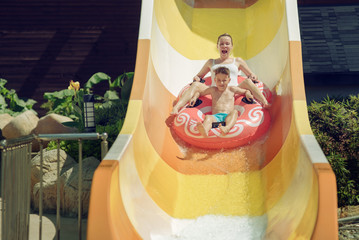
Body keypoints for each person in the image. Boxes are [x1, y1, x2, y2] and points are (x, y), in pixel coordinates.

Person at [171, 33, 270, 115]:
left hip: (233, 88)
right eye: (221, 44)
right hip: (215, 89)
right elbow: (199, 76)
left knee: (248, 81)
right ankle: (177, 108)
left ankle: (265, 102)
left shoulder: (238, 61)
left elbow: (252, 76)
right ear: (217, 46)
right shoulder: (211, 62)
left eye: (227, 44)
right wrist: (196, 78)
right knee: (196, 85)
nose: (224, 46)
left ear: (231, 46)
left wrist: (253, 76)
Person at [189, 66, 254, 137]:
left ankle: (226, 128)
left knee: (234, 112)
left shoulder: (232, 89)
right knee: (208, 117)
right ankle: (205, 130)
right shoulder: (213, 90)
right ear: (215, 80)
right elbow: (200, 92)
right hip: (215, 117)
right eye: (219, 80)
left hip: (228, 116)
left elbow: (246, 91)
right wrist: (195, 97)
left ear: (229, 80)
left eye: (224, 80)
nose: (221, 83)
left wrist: (248, 94)